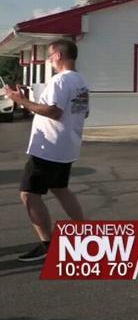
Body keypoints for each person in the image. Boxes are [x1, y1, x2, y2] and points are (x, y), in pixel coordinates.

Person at [3, 39, 89, 262]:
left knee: (28, 195)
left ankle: (47, 245)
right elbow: (83, 113)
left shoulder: (59, 81)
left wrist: (20, 100)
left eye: (50, 56)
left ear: (59, 55)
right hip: (67, 146)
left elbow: (53, 111)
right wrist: (28, 99)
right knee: (60, 188)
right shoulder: (80, 81)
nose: (49, 60)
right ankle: (84, 232)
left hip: (49, 147)